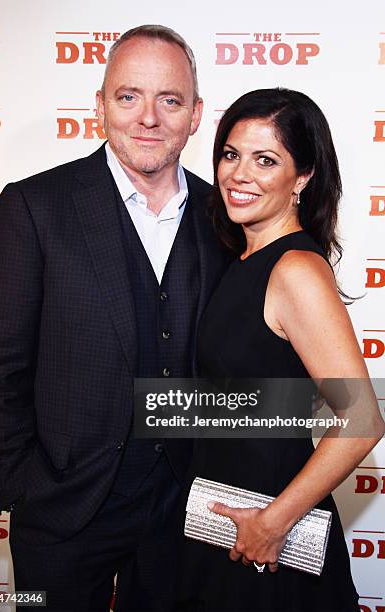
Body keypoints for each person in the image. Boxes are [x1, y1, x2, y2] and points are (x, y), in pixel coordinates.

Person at [0, 25, 229, 612]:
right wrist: (24, 486)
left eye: (169, 100)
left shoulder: (224, 219)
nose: (148, 117)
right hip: (60, 512)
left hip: (182, 509)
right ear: (99, 107)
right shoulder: (34, 206)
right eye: (128, 96)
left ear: (195, 116)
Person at [175, 88, 385, 611]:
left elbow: (362, 418)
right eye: (230, 154)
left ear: (303, 177)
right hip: (222, 524)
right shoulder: (243, 259)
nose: (239, 174)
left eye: (265, 160)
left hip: (268, 538)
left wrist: (273, 522)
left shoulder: (295, 270)